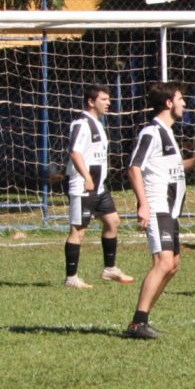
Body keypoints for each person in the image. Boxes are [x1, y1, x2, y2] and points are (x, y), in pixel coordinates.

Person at [124, 82, 195, 339]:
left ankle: (142, 320)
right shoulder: (151, 132)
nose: (184, 103)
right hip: (157, 206)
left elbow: (171, 169)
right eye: (180, 99)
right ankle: (137, 323)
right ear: (168, 103)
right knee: (163, 262)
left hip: (170, 210)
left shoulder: (167, 133)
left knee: (173, 264)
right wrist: (143, 203)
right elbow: (134, 168)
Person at [62, 85, 134, 288]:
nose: (109, 102)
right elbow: (74, 152)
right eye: (103, 99)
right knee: (78, 231)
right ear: (91, 102)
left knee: (113, 222)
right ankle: (71, 278)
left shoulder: (98, 124)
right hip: (83, 187)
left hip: (99, 187)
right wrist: (86, 177)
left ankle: (110, 269)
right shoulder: (81, 124)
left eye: (109, 99)